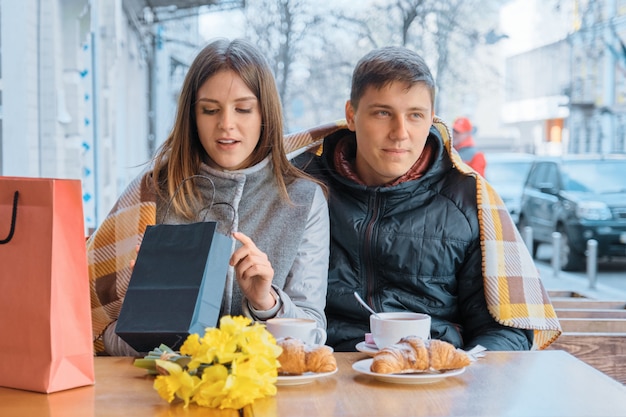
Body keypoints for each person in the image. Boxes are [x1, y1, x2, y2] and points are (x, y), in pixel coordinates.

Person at [291, 46, 561, 352]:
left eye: (415, 116)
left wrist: (462, 372)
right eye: (383, 113)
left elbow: (505, 331)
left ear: (431, 119)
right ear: (351, 115)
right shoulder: (299, 185)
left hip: (433, 379)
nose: (400, 133)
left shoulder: (468, 200)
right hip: (327, 371)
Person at [88, 38, 329, 356]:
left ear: (265, 115)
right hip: (162, 396)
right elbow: (99, 336)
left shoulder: (304, 199)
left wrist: (265, 301)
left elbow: (313, 338)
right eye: (210, 110)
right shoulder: (152, 192)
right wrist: (148, 311)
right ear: (192, 116)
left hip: (268, 396)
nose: (226, 125)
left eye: (243, 109)